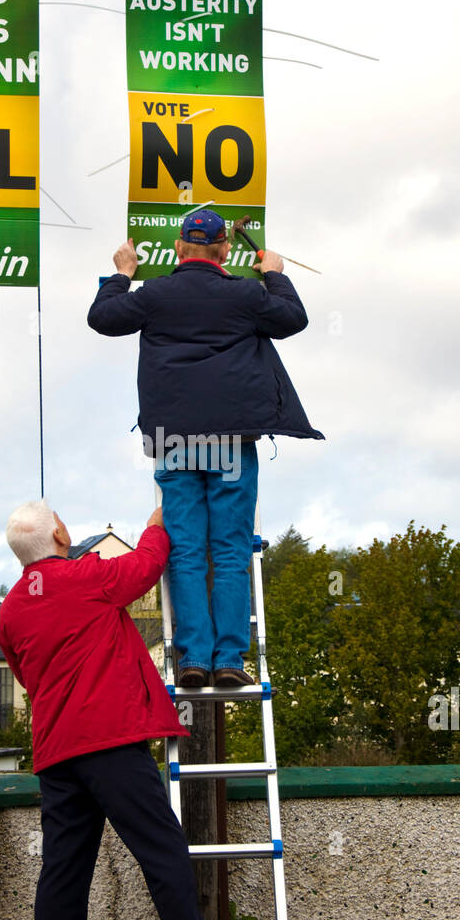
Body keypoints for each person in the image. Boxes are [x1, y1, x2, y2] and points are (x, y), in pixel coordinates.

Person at [0, 498, 230, 920]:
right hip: (112, 743)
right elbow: (146, 566)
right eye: (60, 520)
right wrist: (155, 525)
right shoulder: (87, 577)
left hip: (56, 753)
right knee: (162, 850)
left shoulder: (10, 610)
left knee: (63, 871)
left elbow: (26, 677)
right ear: (59, 536)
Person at [87, 207, 323, 689]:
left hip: (174, 440)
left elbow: (103, 318)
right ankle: (231, 659)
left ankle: (193, 656)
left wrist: (122, 273)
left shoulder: (153, 294)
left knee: (186, 551)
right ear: (224, 251)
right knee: (232, 550)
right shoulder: (244, 294)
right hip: (233, 439)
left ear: (177, 248)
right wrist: (274, 275)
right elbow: (293, 319)